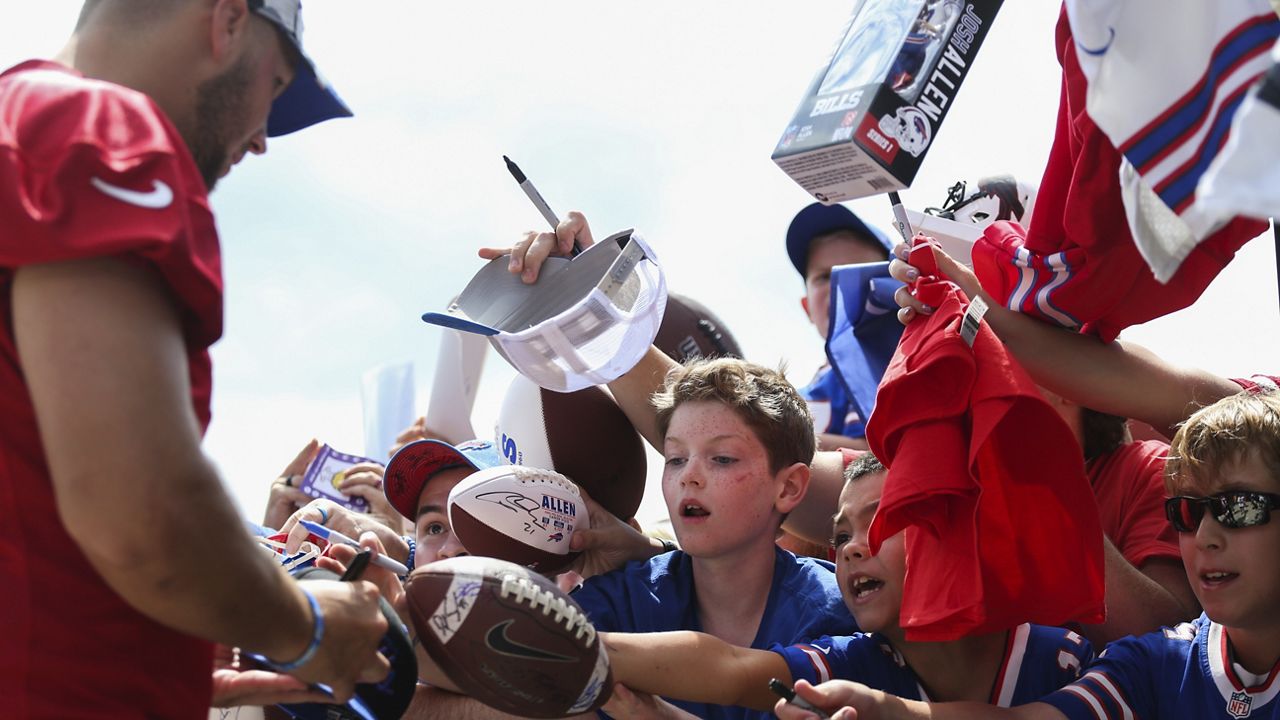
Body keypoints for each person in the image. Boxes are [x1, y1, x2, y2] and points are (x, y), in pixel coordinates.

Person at [0, 1, 391, 716]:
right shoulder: (95, 125)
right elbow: (146, 514)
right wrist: (308, 629)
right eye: (277, 87)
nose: (266, 139)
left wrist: (156, 636)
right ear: (228, 20)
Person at [773, 390, 1280, 720]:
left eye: (1239, 507)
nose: (1207, 536)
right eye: (1186, 514)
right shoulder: (1157, 661)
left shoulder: (1076, 654)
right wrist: (882, 709)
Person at [600, 453, 1094, 714]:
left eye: (881, 524)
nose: (852, 548)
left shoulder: (1063, 659)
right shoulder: (855, 660)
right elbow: (730, 667)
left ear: (958, 532)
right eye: (839, 536)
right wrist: (581, 645)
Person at [786, 202, 895, 451]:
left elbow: (875, 452)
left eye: (854, 272)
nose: (838, 286)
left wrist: (768, 437)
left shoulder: (884, 365)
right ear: (807, 307)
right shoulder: (803, 392)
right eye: (824, 276)